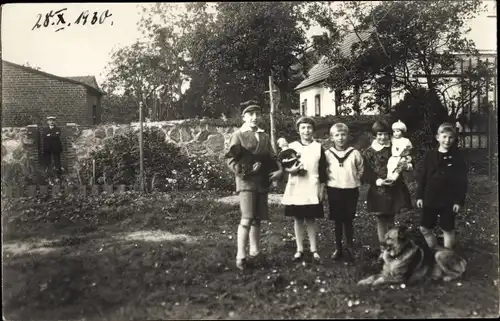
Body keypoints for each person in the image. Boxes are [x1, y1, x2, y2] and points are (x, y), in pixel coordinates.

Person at [226, 103, 283, 270]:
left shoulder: (264, 136)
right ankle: (240, 256)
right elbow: (230, 160)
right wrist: (246, 170)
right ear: (243, 117)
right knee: (247, 217)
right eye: (250, 114)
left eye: (257, 114)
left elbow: (273, 156)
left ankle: (255, 252)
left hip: (262, 182)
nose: (254, 117)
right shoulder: (239, 135)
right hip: (246, 182)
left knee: (257, 218)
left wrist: (279, 171)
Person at [362, 120, 413, 257]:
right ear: (375, 135)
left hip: (394, 188)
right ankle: (383, 248)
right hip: (378, 190)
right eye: (379, 134)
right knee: (380, 218)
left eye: (385, 134)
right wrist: (378, 181)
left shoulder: (394, 148)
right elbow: (366, 173)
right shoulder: (369, 152)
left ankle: (393, 247)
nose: (383, 137)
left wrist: (405, 166)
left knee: (391, 218)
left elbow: (404, 161)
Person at [281, 117, 327, 262]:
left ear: (313, 130)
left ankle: (314, 249)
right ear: (298, 130)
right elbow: (284, 164)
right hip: (297, 185)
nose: (306, 130)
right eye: (303, 127)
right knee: (298, 218)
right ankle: (299, 249)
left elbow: (323, 170)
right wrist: (291, 170)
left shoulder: (318, 147)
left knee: (311, 218)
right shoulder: (292, 146)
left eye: (309, 127)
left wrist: (322, 187)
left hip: (312, 185)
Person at [416, 123, 468, 250]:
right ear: (437, 137)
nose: (447, 140)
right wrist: (419, 196)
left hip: (448, 200)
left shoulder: (458, 158)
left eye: (450, 137)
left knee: (448, 228)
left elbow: (462, 182)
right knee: (424, 227)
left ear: (454, 139)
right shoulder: (429, 156)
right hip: (430, 198)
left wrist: (458, 201)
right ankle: (435, 250)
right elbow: (422, 177)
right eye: (444, 137)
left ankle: (447, 256)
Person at [325, 123, 364, 262]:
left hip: (351, 189)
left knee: (348, 219)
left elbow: (360, 168)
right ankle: (338, 248)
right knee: (337, 220)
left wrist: (355, 178)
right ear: (331, 138)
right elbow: (324, 170)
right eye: (337, 135)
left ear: (348, 136)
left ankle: (349, 247)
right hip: (334, 189)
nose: (340, 138)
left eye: (343, 135)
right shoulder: (328, 154)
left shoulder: (354, 153)